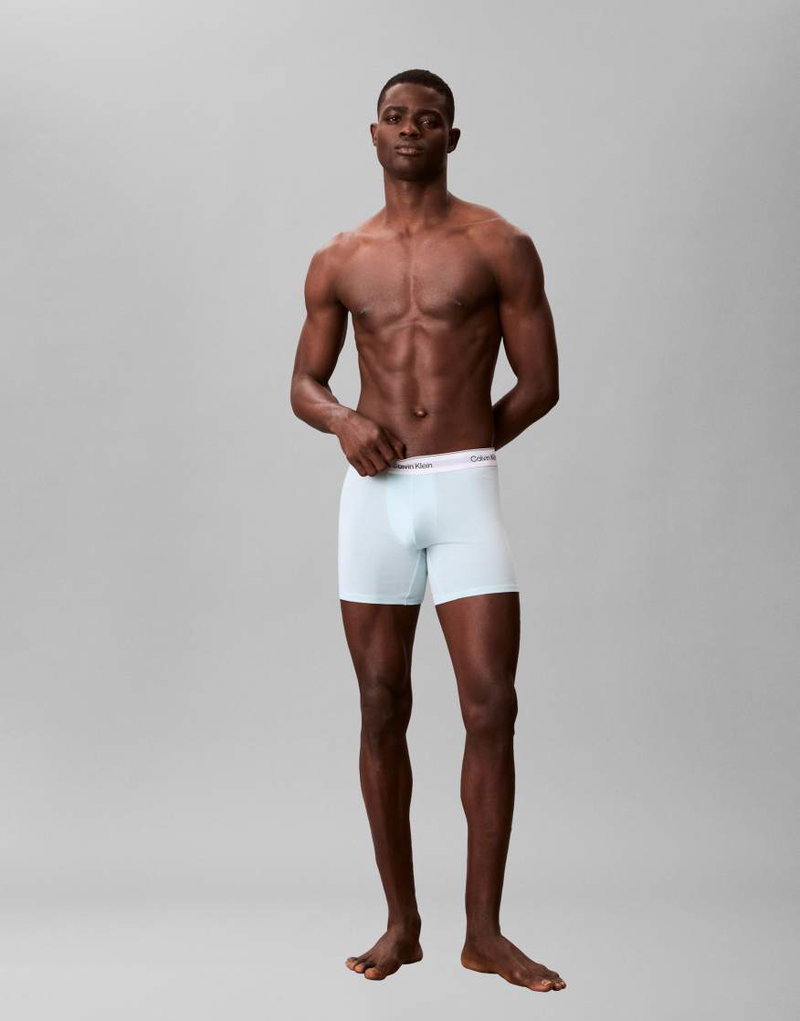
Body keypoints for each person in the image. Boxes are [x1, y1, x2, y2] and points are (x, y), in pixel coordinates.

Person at [289, 68, 565, 993]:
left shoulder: (500, 245)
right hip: (374, 499)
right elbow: (304, 383)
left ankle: (485, 932)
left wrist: (467, 444)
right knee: (380, 702)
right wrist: (344, 421)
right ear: (373, 133)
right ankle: (402, 923)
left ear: (453, 137)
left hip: (463, 491)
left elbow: (540, 382)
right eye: (396, 117)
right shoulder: (338, 258)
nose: (411, 129)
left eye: (429, 119)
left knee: (492, 705)